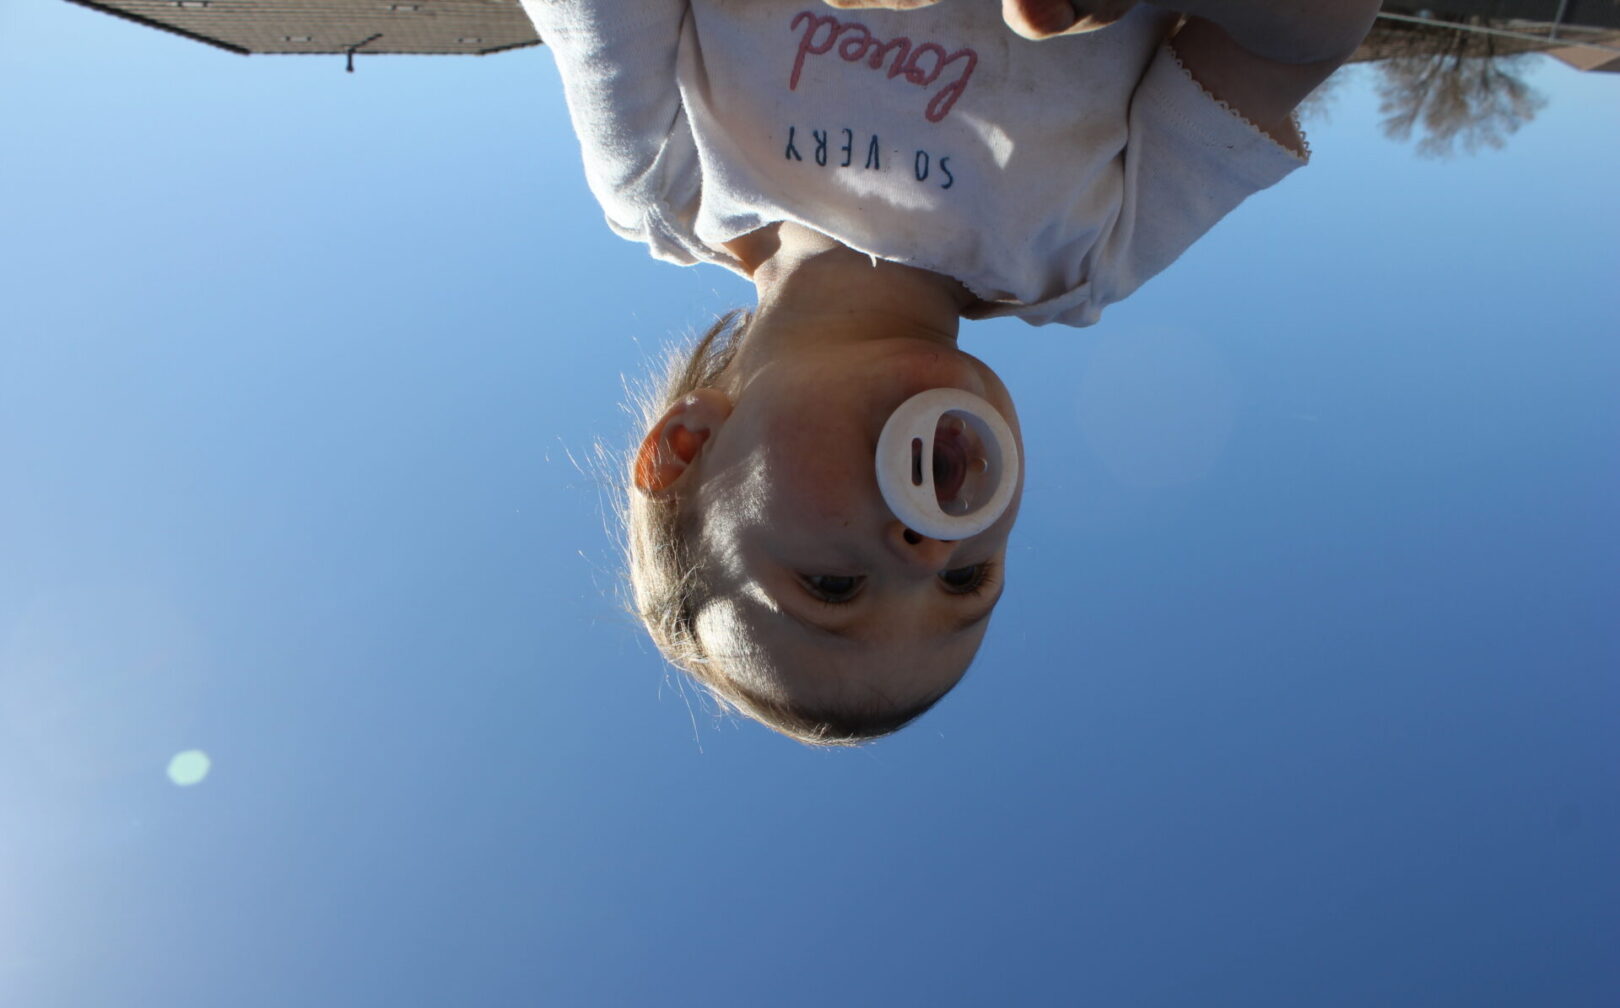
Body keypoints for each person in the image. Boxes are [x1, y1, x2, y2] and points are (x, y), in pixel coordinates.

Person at [523, 0, 1379, 745]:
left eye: (832, 587)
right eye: (970, 581)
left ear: (685, 449)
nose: (929, 548)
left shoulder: (666, 178)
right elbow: (1314, 32)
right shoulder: (1089, 257)